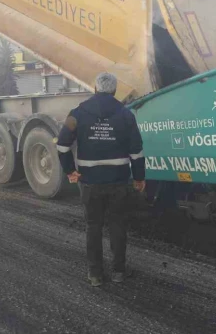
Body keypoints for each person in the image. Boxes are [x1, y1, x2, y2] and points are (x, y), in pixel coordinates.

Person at [57, 72, 145, 287]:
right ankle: (118, 272)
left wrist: (70, 171)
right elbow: (136, 151)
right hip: (118, 181)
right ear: (114, 91)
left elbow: (61, 145)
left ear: (95, 89)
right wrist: (139, 177)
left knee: (93, 226)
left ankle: (95, 275)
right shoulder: (126, 114)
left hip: (90, 182)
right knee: (117, 225)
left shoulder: (76, 114)